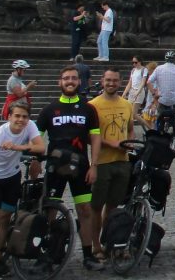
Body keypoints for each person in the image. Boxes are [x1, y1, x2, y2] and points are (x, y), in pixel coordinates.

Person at [35, 65, 105, 270]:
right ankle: (45, 255)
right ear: (60, 82)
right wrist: (35, 161)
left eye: (73, 78)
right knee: (49, 211)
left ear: (79, 82)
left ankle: (87, 255)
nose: (70, 82)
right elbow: (37, 139)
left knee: (85, 210)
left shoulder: (88, 108)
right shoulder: (48, 110)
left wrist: (95, 165)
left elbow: (95, 137)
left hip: (81, 166)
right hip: (55, 167)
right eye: (66, 78)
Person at [0, 99, 44, 279]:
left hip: (12, 177)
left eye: (24, 116)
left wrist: (19, 147)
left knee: (5, 218)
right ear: (9, 116)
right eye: (17, 116)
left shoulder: (30, 125)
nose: (21, 120)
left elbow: (41, 146)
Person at [89, 66, 134, 260]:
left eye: (115, 80)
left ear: (120, 82)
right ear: (102, 80)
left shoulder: (127, 104)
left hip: (122, 161)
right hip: (102, 162)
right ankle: (95, 245)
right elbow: (91, 135)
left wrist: (129, 142)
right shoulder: (93, 105)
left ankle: (111, 241)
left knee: (114, 207)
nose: (111, 83)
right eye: (108, 80)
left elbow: (130, 128)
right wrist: (114, 144)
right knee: (96, 207)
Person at [148, 51, 175, 136]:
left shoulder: (158, 68)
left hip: (162, 98)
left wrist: (153, 93)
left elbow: (148, 82)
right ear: (174, 59)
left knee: (159, 110)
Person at [123, 55, 149, 122]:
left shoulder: (144, 70)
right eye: (133, 62)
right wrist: (124, 93)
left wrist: (137, 92)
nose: (134, 64)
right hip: (132, 91)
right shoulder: (133, 70)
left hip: (139, 92)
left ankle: (148, 126)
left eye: (136, 62)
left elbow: (143, 83)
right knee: (128, 112)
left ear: (140, 62)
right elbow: (130, 83)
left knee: (134, 114)